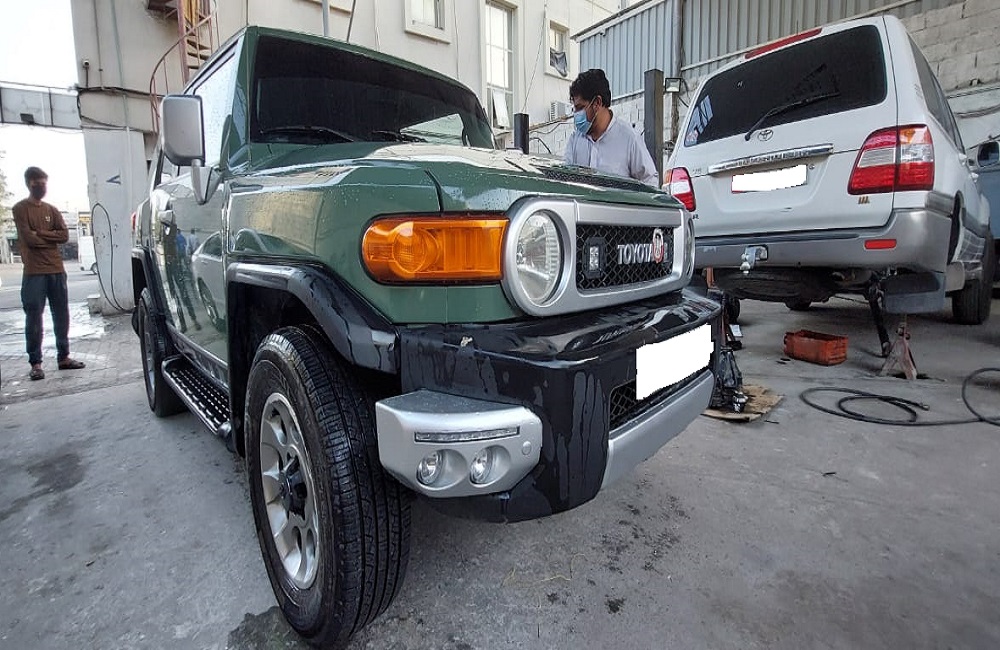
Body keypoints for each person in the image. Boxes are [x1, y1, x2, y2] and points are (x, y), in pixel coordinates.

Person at [12, 167, 86, 380]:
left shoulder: (51, 210)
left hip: (56, 269)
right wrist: (48, 237)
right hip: (34, 272)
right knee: (34, 317)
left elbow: (64, 236)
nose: (42, 188)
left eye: (44, 184)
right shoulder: (20, 209)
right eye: (37, 184)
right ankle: (36, 363)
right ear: (29, 184)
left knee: (61, 314)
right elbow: (28, 239)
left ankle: (64, 357)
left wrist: (41, 233)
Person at [563, 68, 659, 186]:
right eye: (575, 109)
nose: (576, 114)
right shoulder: (575, 140)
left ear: (597, 103)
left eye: (580, 108)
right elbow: (565, 180)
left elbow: (650, 182)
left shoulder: (629, 139)